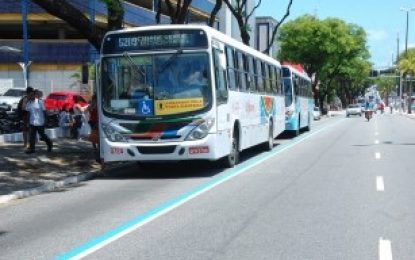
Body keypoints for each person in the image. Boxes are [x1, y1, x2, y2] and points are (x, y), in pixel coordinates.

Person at [25, 89, 53, 154]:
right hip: (32, 122)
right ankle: (32, 149)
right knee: (32, 136)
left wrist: (46, 120)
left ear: (35, 95)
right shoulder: (29, 103)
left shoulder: (40, 102)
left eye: (32, 95)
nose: (31, 96)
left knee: (42, 135)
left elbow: (44, 111)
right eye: (30, 95)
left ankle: (49, 143)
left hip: (40, 122)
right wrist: (27, 122)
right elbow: (28, 113)